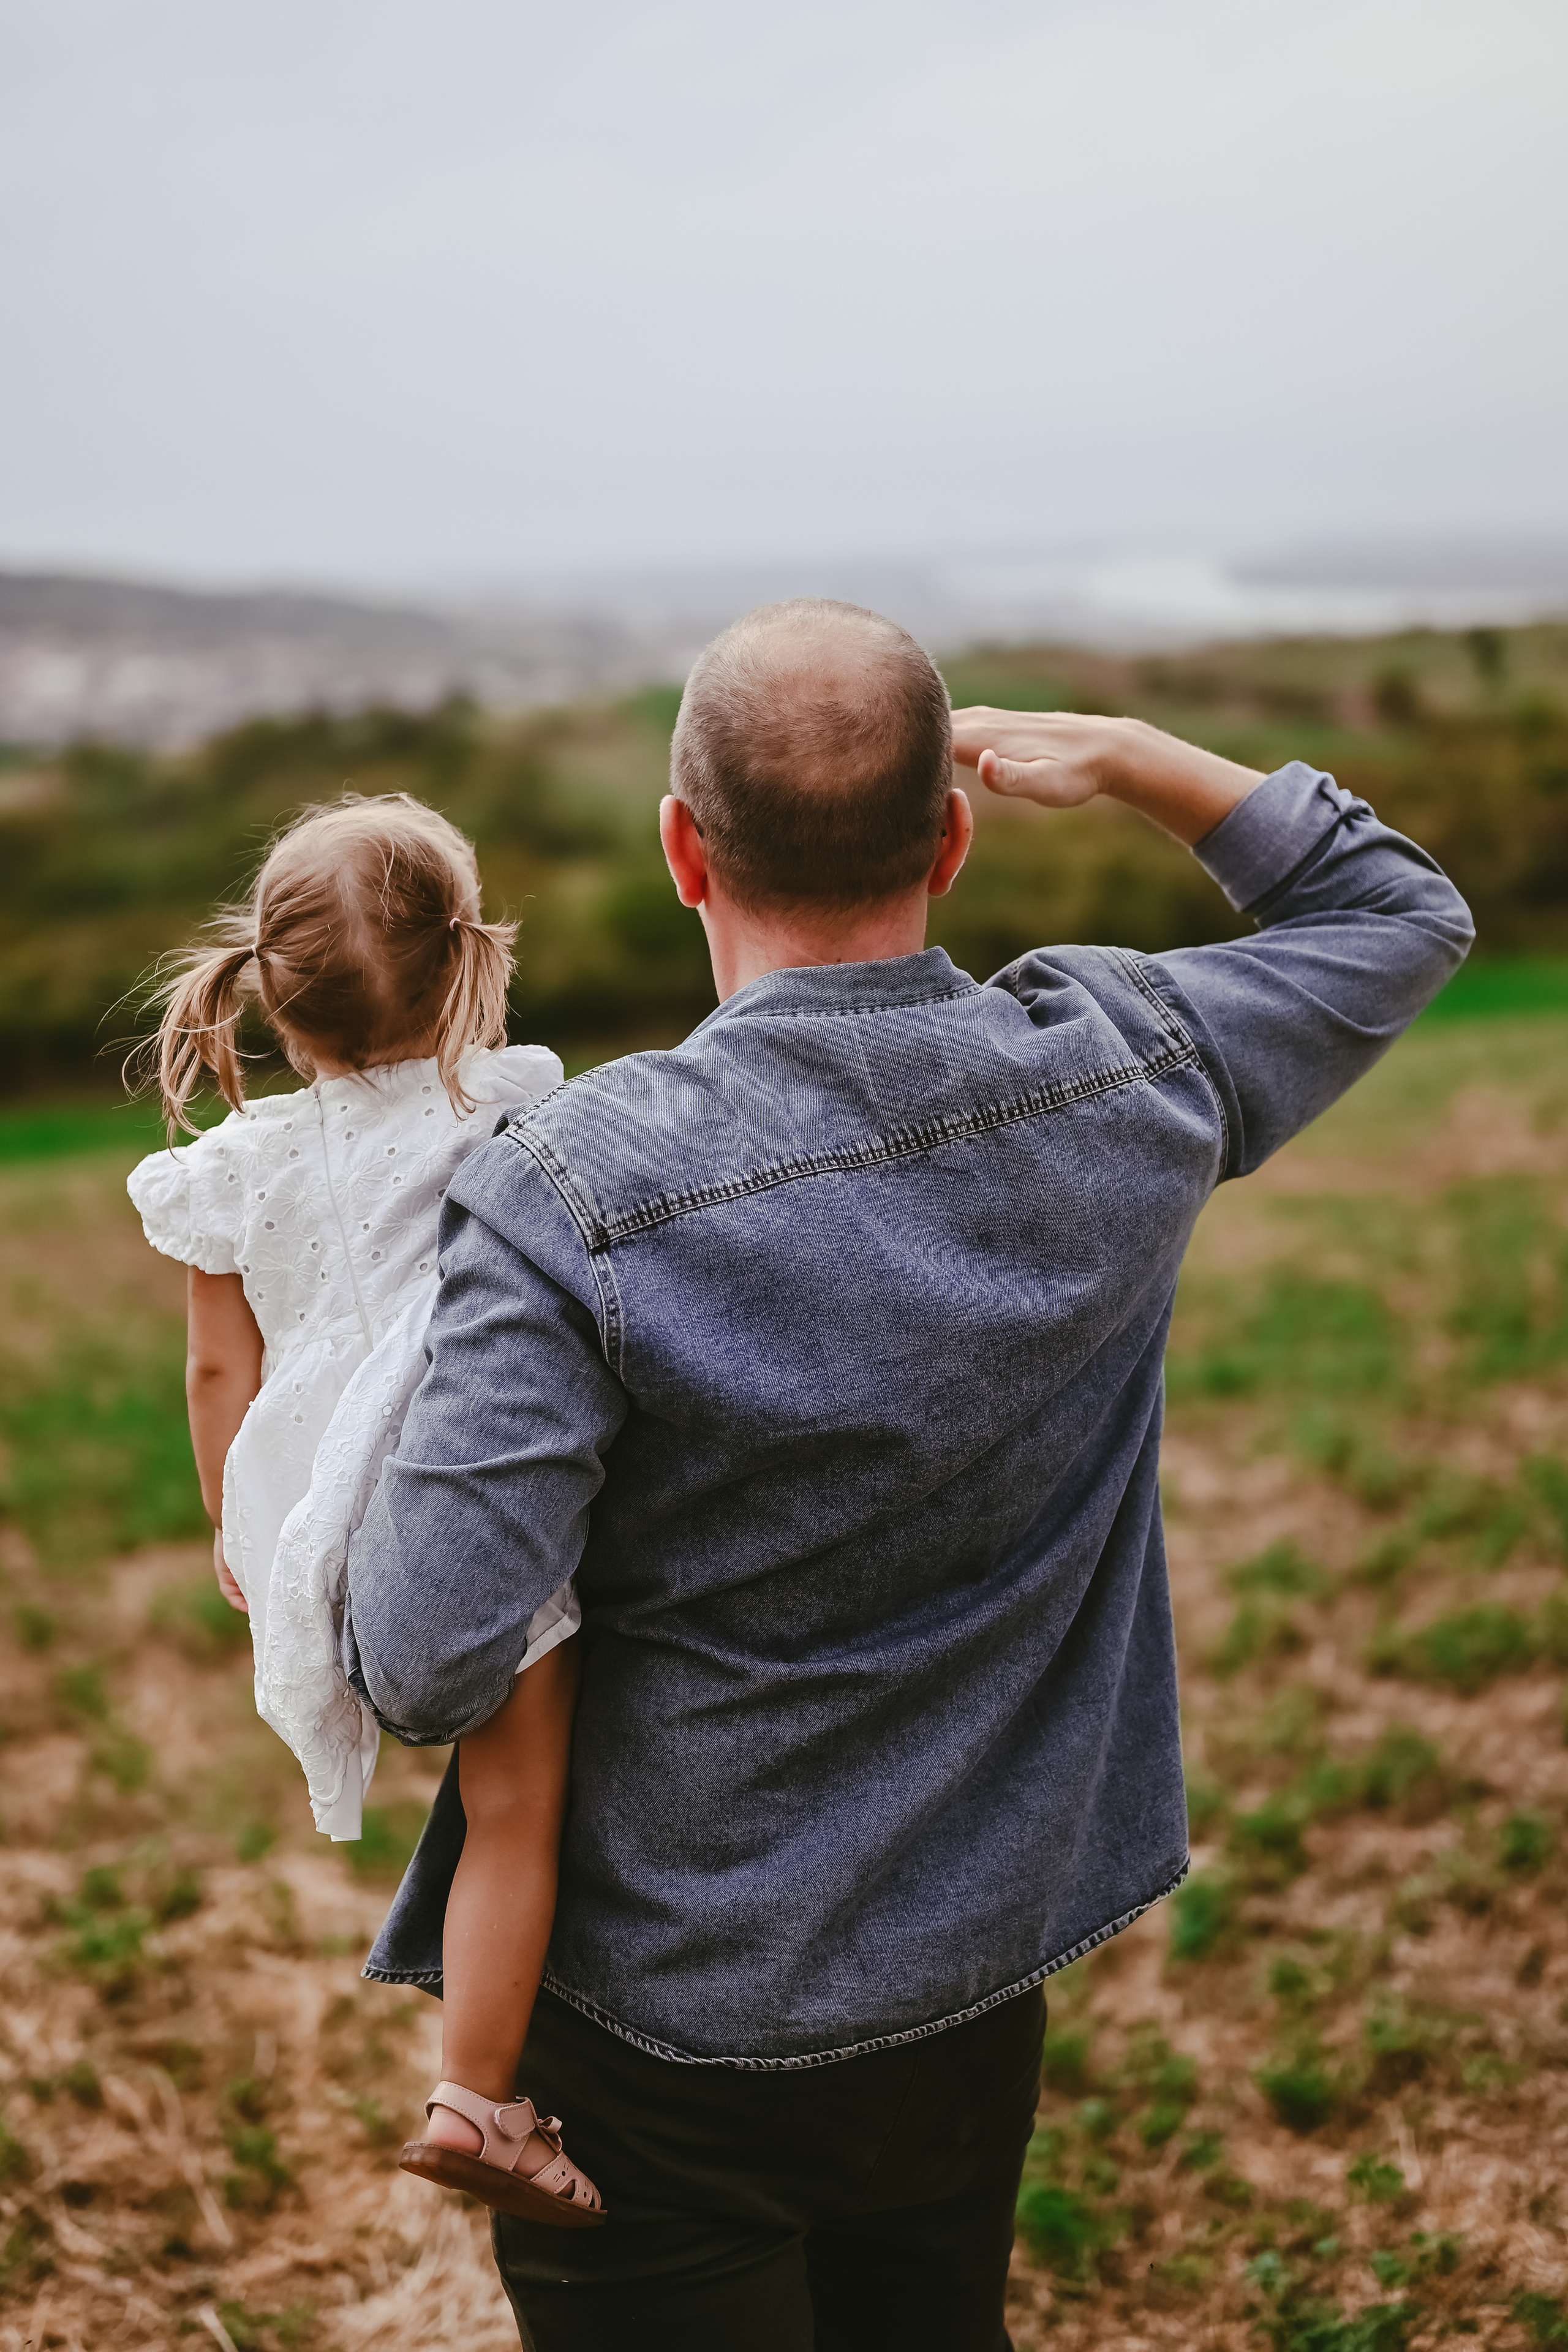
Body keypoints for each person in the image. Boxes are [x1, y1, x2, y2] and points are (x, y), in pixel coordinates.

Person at [344, 600, 1473, 2352]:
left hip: (663, 2033)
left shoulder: (568, 1188)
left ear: (679, 853)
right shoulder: (1126, 1068)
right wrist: (1125, 760)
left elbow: (425, 1659)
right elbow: (1398, 909)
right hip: (973, 1986)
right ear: (952, 833)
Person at [126, 793, 605, 2225]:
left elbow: (222, 1363)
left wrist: (251, 1538)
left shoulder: (235, 1166)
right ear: (471, 964)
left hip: (312, 1517)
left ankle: (476, 2081)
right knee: (514, 1802)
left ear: (269, 994)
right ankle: (478, 2099)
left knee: (484, 1793)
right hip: (463, 1490)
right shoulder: (512, 1104)